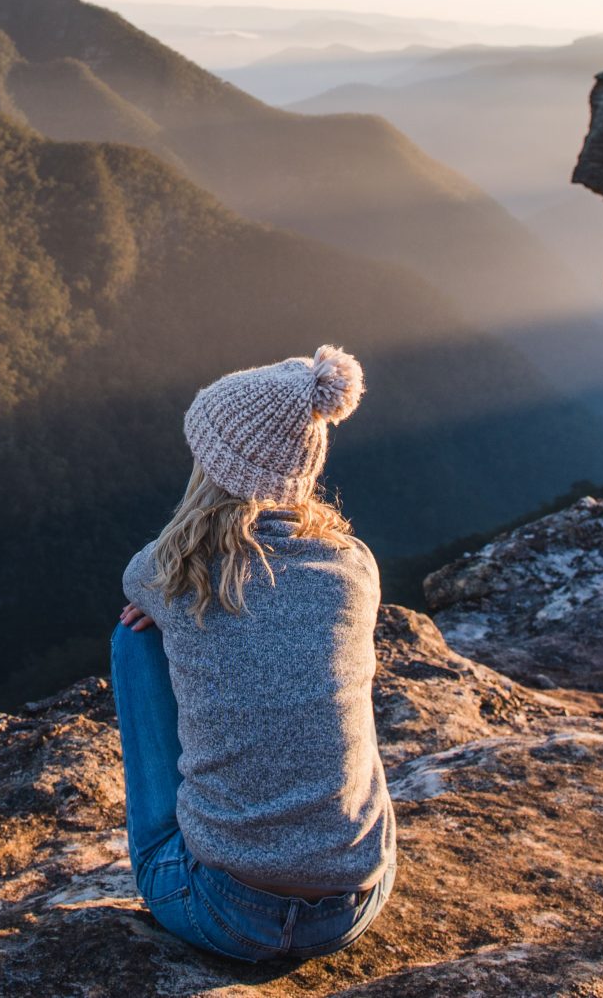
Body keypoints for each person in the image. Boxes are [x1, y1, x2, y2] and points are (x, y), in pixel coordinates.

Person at [111, 344, 397, 962]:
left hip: (225, 911)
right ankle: (325, 841)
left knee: (133, 638)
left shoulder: (171, 574)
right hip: (353, 906)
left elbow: (137, 586)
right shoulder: (355, 568)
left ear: (210, 468)